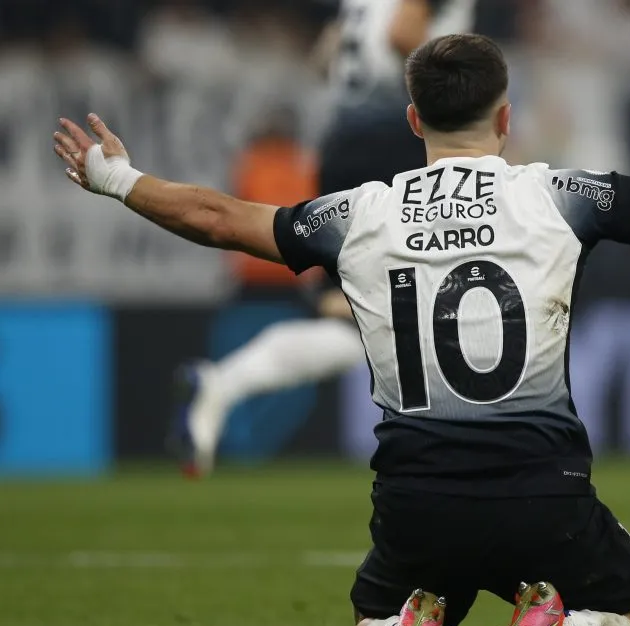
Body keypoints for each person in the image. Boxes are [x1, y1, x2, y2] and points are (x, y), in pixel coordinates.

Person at [53, 34, 630, 626]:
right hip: (546, 497)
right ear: (506, 118)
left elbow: (215, 218)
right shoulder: (557, 196)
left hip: (416, 504)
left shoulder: (357, 212)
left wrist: (116, 179)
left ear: (414, 118)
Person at [172, 0, 478, 476]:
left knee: (359, 317)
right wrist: (466, 92)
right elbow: (403, 35)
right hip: (401, 139)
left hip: (343, 143)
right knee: (442, 292)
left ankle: (221, 384)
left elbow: (327, 55)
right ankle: (453, 447)